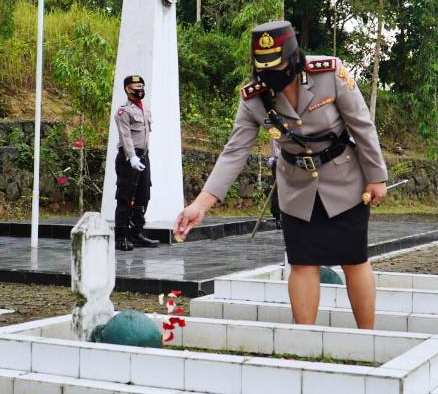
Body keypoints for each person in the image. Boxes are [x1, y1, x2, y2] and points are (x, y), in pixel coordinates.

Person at [174, 21, 388, 328]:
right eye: (264, 69)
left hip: (345, 180)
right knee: (302, 262)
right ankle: (303, 339)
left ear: (294, 58)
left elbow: (361, 124)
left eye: (278, 66)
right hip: (296, 188)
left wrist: (376, 176)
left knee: (354, 259)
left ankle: (368, 337)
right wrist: (200, 205)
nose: (272, 75)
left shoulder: (328, 73)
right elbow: (234, 152)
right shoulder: (254, 97)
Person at [114, 75, 159, 251]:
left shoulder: (145, 111)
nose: (140, 89)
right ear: (127, 89)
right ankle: (121, 237)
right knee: (125, 196)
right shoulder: (123, 112)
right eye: (136, 86)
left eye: (141, 85)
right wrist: (132, 156)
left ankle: (136, 233)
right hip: (128, 158)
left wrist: (142, 156)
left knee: (143, 195)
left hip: (144, 157)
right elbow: (125, 136)